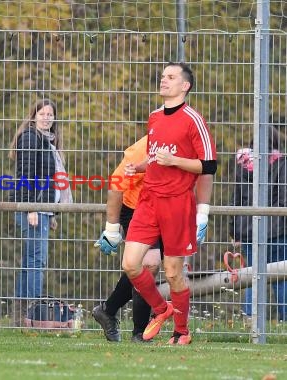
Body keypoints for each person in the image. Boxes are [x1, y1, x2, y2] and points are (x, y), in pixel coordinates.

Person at [122, 62, 217, 345]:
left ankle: (181, 332)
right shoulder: (154, 117)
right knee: (131, 264)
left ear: (185, 86)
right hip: (149, 200)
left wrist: (175, 161)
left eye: (171, 77)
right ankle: (162, 310)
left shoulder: (193, 120)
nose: (164, 80)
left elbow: (209, 165)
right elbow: (156, 159)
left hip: (177, 204)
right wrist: (138, 167)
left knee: (174, 273)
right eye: (163, 76)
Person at [92, 136, 163, 343]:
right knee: (147, 265)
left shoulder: (189, 143)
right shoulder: (144, 148)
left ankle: (108, 310)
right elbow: (116, 184)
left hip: (166, 208)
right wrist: (112, 230)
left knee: (157, 267)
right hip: (136, 209)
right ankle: (140, 333)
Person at [8, 99, 73, 327]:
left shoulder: (48, 142)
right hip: (31, 209)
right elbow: (26, 176)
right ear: (33, 115)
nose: (46, 117)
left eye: (50, 114)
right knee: (36, 260)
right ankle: (32, 313)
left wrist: (51, 213)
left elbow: (50, 180)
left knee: (31, 260)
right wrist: (31, 208)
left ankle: (22, 318)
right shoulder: (30, 137)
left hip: (42, 211)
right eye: (42, 113)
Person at [230, 125, 287, 321]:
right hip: (277, 229)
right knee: (280, 276)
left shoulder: (243, 164)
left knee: (252, 275)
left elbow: (236, 198)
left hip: (247, 228)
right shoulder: (281, 163)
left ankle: (250, 318)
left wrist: (234, 232)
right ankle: (284, 319)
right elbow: (283, 200)